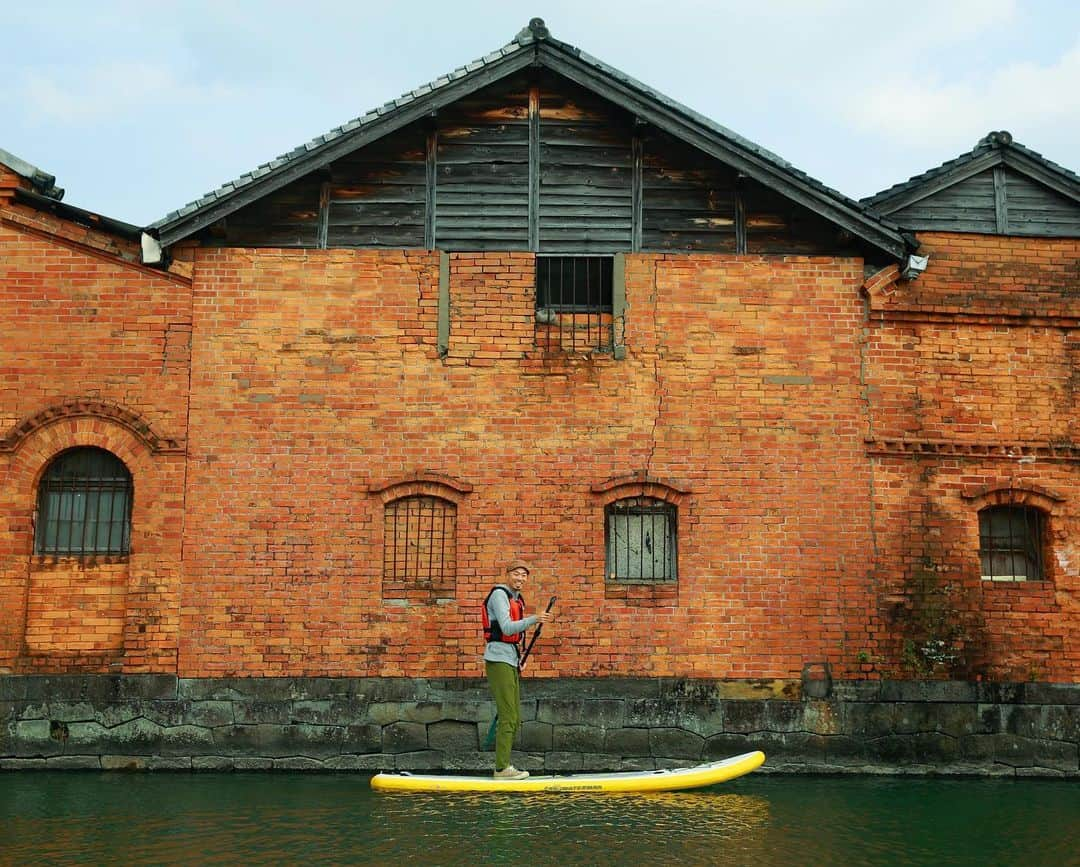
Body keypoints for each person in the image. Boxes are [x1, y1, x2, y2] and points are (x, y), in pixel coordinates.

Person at [482, 558, 554, 779]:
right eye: (517, 573)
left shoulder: (517, 599)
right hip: (497, 659)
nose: (520, 578)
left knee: (514, 717)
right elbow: (505, 627)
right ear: (508, 574)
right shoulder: (499, 595)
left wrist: (519, 658)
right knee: (508, 716)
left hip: (510, 659)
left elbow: (514, 637)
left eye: (524, 575)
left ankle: (504, 765)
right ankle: (502, 768)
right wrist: (535, 618)